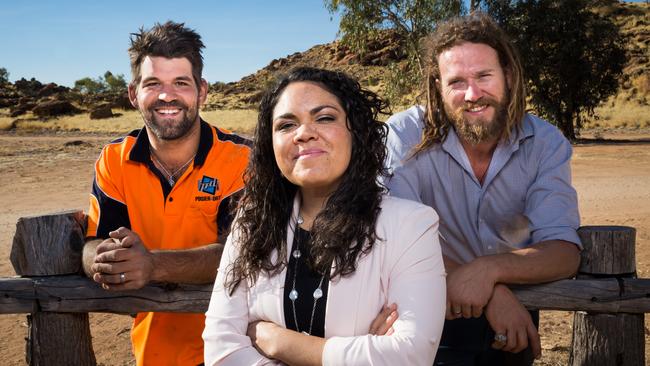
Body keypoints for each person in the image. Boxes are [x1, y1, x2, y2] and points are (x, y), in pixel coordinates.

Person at [202, 67, 446, 366]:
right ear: (271, 144)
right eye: (286, 124)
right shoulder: (251, 223)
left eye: (325, 117)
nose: (304, 133)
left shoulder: (411, 226)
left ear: (355, 131)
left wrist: (277, 342)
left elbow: (410, 355)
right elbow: (220, 349)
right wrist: (361, 352)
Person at [385, 13, 582, 366]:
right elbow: (395, 245)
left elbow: (563, 251)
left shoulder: (545, 143)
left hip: (514, 324)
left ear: (507, 76)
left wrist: (488, 272)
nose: (472, 94)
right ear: (438, 87)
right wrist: (493, 294)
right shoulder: (403, 136)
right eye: (456, 81)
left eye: (484, 76)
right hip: (426, 314)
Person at [81, 21, 250, 366]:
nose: (166, 96)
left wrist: (153, 265)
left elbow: (240, 255)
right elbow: (93, 243)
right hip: (155, 351)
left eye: (180, 83)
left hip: (239, 350)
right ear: (133, 93)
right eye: (153, 83)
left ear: (202, 91)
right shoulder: (115, 158)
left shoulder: (241, 157)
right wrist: (106, 260)